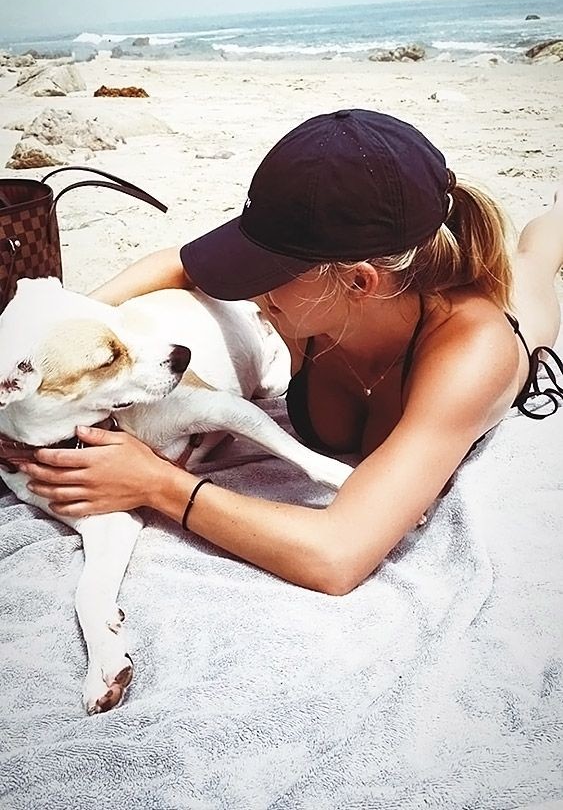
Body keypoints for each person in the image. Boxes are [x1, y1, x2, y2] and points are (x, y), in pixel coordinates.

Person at [19, 109, 563, 595]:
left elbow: (337, 555)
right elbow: (178, 263)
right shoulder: (316, 306)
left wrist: (158, 484)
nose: (251, 289)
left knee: (534, 261)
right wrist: (66, 327)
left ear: (359, 281)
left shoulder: (470, 353)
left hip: (519, 322)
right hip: (395, 303)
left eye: (267, 271)